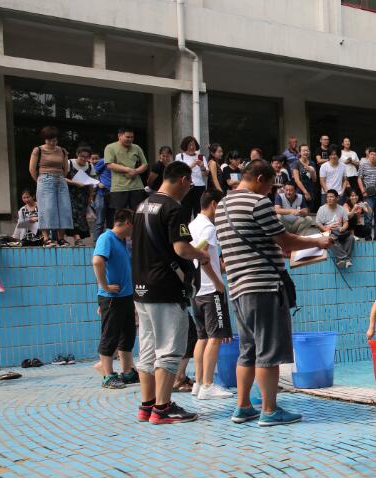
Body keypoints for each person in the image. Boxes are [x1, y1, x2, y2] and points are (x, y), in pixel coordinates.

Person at [216, 160, 334, 426]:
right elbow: (285, 239)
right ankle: (269, 410)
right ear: (259, 178)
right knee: (268, 350)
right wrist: (318, 240)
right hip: (263, 286)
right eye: (270, 185)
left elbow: (256, 240)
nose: (270, 192)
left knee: (247, 350)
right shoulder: (258, 203)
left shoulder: (223, 205)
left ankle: (243, 406)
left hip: (238, 287)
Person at [131, 161, 209, 424]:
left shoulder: (141, 206)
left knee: (147, 350)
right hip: (165, 288)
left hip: (141, 289)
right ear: (185, 180)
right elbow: (182, 249)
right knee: (168, 351)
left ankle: (147, 405)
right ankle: (163, 410)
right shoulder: (173, 208)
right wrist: (201, 255)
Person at [188, 190, 234, 400]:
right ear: (214, 204)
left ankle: (198, 383)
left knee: (202, 338)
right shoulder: (208, 227)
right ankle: (208, 385)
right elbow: (203, 255)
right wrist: (217, 282)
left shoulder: (192, 225)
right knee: (215, 338)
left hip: (196, 290)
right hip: (209, 289)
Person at [92, 208, 138, 389]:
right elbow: (97, 261)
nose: (133, 229)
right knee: (110, 336)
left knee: (127, 336)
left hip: (125, 297)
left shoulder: (122, 241)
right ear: (127, 222)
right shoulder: (106, 238)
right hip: (112, 297)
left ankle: (127, 372)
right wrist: (104, 286)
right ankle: (107, 375)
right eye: (133, 225)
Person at [29, 126, 71, 247]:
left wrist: (61, 177)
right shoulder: (38, 150)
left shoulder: (62, 150)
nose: (52, 142)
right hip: (45, 178)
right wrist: (40, 180)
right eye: (49, 140)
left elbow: (66, 169)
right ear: (45, 139)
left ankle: (61, 238)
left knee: (64, 207)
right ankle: (46, 238)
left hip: (60, 179)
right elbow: (32, 169)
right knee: (47, 208)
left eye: (55, 140)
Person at [105, 127, 149, 216]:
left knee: (139, 214)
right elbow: (109, 164)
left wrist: (136, 171)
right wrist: (127, 170)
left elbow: (145, 164)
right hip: (119, 187)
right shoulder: (110, 147)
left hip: (137, 186)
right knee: (120, 215)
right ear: (119, 136)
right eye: (127, 137)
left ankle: (137, 230)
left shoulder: (137, 147)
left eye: (132, 137)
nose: (130, 139)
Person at [316, 189, 355, 269]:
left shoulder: (341, 209)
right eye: (328, 197)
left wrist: (343, 228)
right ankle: (345, 259)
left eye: (331, 197)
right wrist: (326, 229)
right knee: (331, 238)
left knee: (351, 238)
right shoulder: (322, 209)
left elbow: (346, 222)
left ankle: (341, 259)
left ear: (337, 198)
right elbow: (318, 223)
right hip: (328, 232)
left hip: (339, 232)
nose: (329, 199)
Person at [65, 145, 95, 246]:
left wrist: (90, 196)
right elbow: (62, 178)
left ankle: (79, 238)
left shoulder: (90, 166)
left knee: (81, 216)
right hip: (70, 193)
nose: (84, 158)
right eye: (82, 156)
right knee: (73, 215)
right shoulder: (69, 163)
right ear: (77, 154)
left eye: (86, 157)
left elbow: (91, 182)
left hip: (83, 195)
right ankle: (77, 238)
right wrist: (74, 183)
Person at [357, 147, 376, 240]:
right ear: (368, 155)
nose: (373, 156)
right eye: (371, 154)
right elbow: (359, 178)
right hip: (368, 196)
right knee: (368, 218)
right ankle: (368, 238)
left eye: (375, 155)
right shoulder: (363, 165)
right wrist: (363, 191)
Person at [174, 136, 208, 218]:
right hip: (186, 187)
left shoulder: (201, 157)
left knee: (199, 212)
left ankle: (198, 230)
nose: (192, 147)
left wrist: (202, 167)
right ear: (185, 146)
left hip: (199, 187)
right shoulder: (180, 156)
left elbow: (206, 173)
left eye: (194, 145)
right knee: (185, 211)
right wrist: (192, 165)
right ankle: (185, 230)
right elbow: (179, 171)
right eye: (190, 145)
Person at [91, 152, 113, 238]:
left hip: (113, 193)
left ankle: (110, 241)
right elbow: (91, 173)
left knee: (111, 221)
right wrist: (98, 183)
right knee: (100, 220)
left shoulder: (117, 162)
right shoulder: (103, 161)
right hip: (102, 193)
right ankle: (96, 243)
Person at [291, 144, 318, 211]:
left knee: (309, 211)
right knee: (300, 211)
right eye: (304, 151)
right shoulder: (296, 163)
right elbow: (297, 180)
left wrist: (311, 170)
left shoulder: (312, 163)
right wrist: (305, 192)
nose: (306, 152)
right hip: (300, 191)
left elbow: (314, 180)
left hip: (311, 190)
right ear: (300, 152)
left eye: (307, 151)